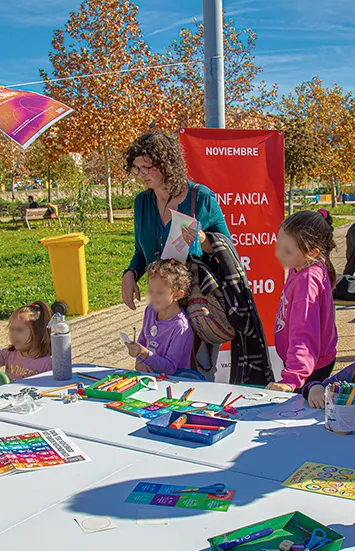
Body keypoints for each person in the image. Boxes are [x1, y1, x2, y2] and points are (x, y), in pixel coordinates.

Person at [122, 131, 272, 385]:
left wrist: (202, 239)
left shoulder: (201, 198)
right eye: (137, 168)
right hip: (162, 304)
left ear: (167, 164)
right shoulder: (142, 203)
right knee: (156, 365)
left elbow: (227, 250)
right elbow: (141, 251)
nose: (142, 174)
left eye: (147, 167)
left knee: (197, 374)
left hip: (196, 303)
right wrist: (130, 273)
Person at [266, 210, 338, 395]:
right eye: (279, 244)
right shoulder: (303, 265)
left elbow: (303, 331)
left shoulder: (307, 280)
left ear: (313, 252)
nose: (279, 253)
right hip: (306, 363)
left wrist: (292, 378)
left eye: (288, 250)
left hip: (307, 369)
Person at [124, 259, 195, 376]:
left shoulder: (180, 327)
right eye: (151, 290)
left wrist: (144, 353)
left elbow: (170, 367)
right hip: (151, 378)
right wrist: (139, 362)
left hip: (173, 382)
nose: (153, 296)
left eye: (160, 292)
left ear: (178, 294)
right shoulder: (150, 311)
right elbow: (143, 340)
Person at [0, 301, 51, 380]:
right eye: (11, 329)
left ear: (38, 334)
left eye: (20, 330)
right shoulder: (9, 354)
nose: (13, 334)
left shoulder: (47, 364)